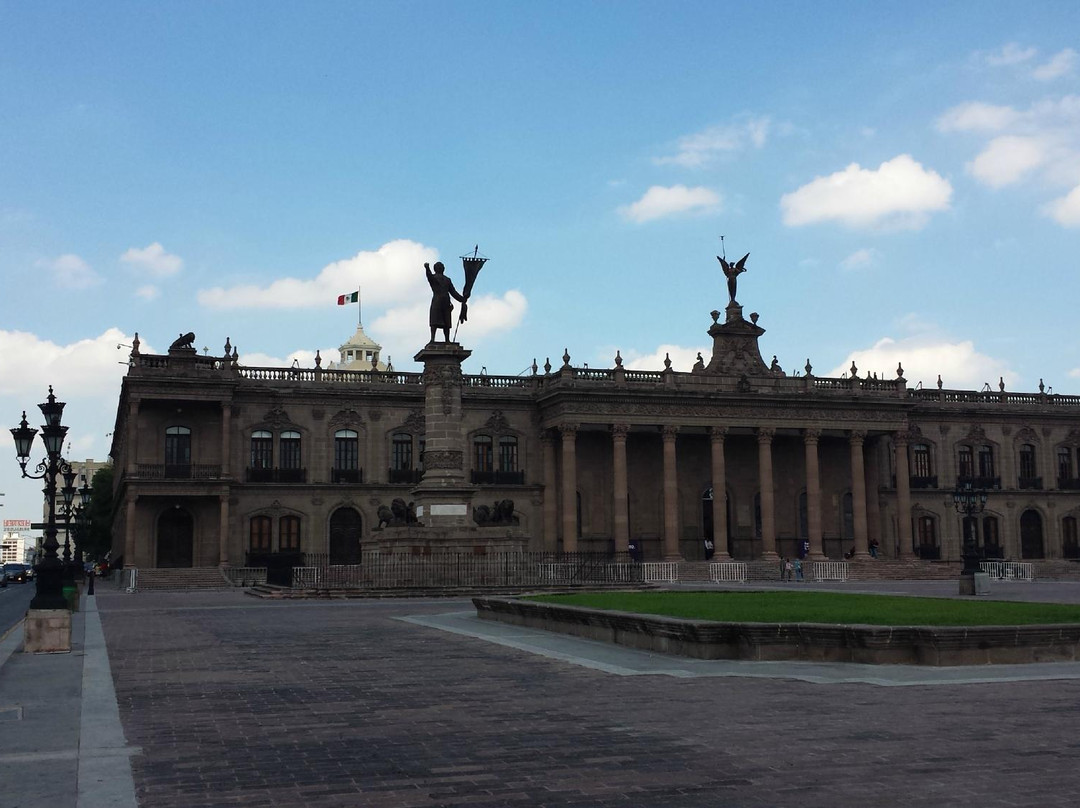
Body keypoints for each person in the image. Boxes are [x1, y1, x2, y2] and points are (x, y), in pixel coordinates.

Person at [425, 261, 467, 343]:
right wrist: (427, 268)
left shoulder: (447, 280)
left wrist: (462, 299)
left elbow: (453, 292)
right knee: (434, 321)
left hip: (445, 302)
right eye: (439, 267)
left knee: (446, 322)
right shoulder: (434, 278)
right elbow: (429, 276)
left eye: (441, 266)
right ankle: (433, 339)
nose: (440, 268)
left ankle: (447, 339)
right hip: (437, 300)